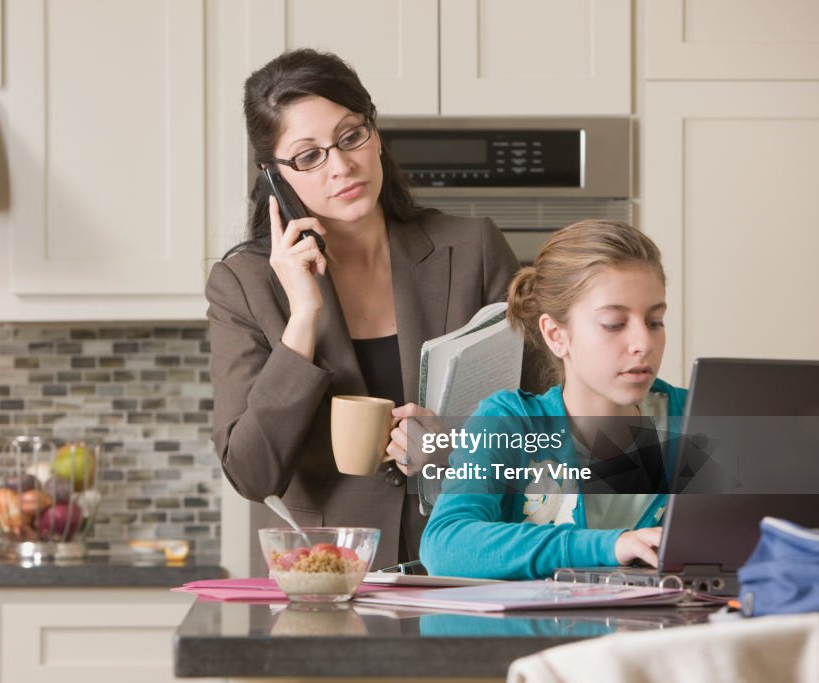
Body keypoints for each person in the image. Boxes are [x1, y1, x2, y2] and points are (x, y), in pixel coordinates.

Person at [206, 48, 528, 571]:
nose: (342, 165)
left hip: (472, 565)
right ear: (275, 177)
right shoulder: (244, 285)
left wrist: (456, 447)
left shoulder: (474, 249)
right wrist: (303, 318)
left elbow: (553, 428)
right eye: (309, 155)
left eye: (351, 135)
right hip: (325, 579)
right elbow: (251, 473)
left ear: (375, 134)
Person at [420, 219, 685, 580]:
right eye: (614, 323)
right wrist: (608, 546)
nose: (644, 343)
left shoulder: (697, 414)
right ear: (556, 334)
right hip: (545, 637)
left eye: (655, 321)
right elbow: (445, 544)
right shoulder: (509, 422)